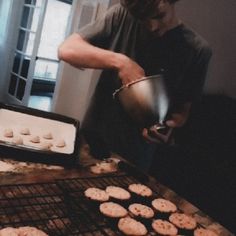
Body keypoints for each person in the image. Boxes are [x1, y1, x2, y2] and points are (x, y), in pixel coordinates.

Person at [58, 0, 212, 171]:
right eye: (143, 19)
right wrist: (121, 62)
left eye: (160, 16)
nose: (152, 26)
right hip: (91, 141)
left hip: (136, 155)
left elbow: (182, 111)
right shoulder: (122, 16)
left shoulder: (197, 50)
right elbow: (67, 49)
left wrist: (167, 127)